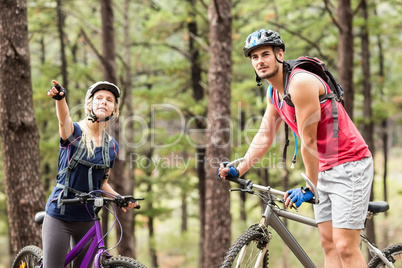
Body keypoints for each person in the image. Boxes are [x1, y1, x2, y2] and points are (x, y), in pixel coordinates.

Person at [218, 29, 373, 268]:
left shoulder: (300, 83)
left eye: (265, 54)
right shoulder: (274, 92)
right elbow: (265, 134)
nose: (260, 61)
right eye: (254, 57)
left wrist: (310, 188)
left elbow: (308, 142)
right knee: (329, 244)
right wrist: (241, 168)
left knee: (345, 246)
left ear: (280, 54)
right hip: (324, 167)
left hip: (349, 163)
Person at [43, 80, 137, 267]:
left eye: (109, 100)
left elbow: (102, 183)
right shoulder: (74, 132)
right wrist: (60, 98)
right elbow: (64, 118)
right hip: (60, 215)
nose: (104, 102)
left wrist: (120, 199)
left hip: (88, 218)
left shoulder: (112, 146)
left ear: (114, 110)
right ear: (89, 105)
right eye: (99, 98)